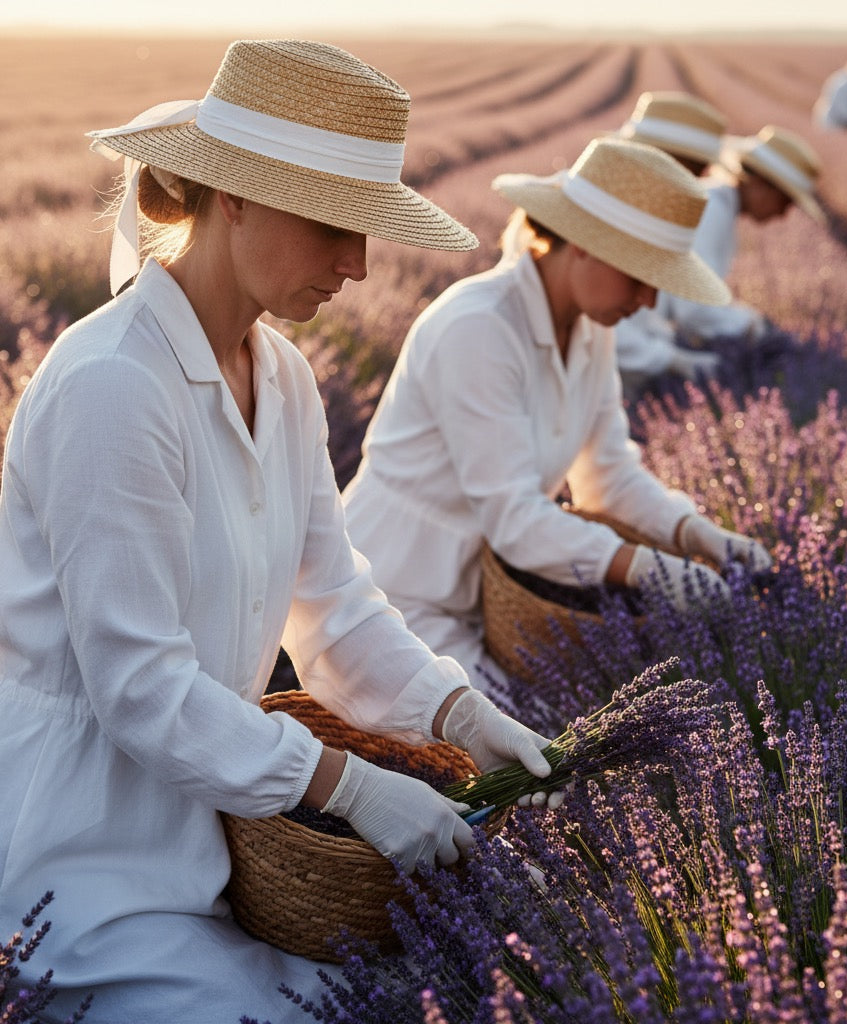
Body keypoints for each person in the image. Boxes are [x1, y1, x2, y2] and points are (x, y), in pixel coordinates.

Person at [0, 39, 559, 1024]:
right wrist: (343, 784)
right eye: (332, 225)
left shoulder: (286, 379)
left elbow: (333, 603)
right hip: (82, 867)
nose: (358, 265)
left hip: (220, 841)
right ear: (235, 198)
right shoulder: (113, 388)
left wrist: (456, 712)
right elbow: (139, 690)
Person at [341, 136, 773, 695]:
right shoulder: (479, 328)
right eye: (639, 276)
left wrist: (698, 537)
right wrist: (647, 570)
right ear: (584, 246)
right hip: (392, 599)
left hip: (497, 598)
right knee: (530, 755)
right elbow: (514, 517)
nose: (647, 302)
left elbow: (608, 479)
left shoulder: (593, 331)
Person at [650, 124, 826, 353]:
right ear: (761, 183)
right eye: (785, 202)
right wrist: (755, 326)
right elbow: (693, 308)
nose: (783, 215)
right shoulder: (711, 210)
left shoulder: (717, 204)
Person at [613, 91, 729, 392]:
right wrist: (670, 358)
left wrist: (664, 340)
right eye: (694, 171)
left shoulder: (648, 212)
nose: (700, 181)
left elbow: (644, 311)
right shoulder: (607, 213)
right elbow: (599, 324)